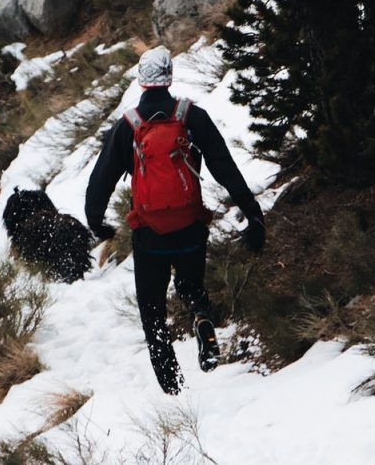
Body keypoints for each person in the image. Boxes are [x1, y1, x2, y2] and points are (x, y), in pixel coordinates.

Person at [85, 46, 266, 394]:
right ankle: (201, 315)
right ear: (169, 78)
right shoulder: (191, 118)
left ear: (141, 81)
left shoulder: (129, 127)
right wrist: (252, 215)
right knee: (190, 286)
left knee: (152, 312)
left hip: (149, 233)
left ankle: (173, 389)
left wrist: (97, 222)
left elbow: (100, 182)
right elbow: (225, 168)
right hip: (190, 227)